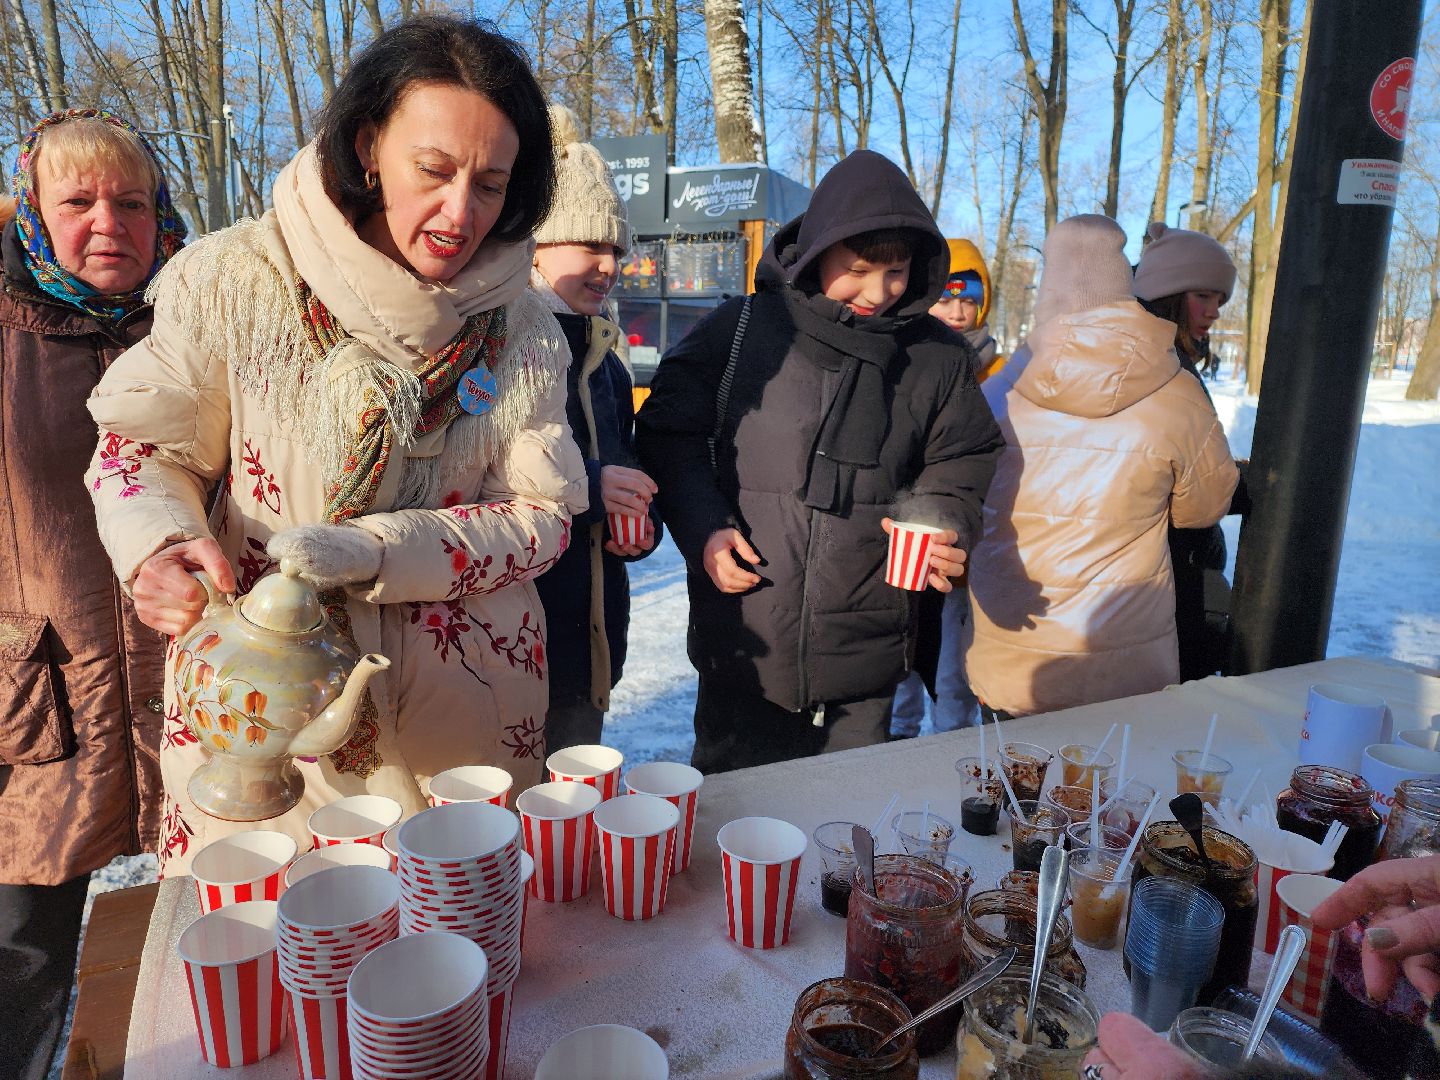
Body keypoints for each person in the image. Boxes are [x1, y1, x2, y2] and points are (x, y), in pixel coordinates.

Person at [83, 16, 586, 877]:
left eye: (492, 184)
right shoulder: (237, 281)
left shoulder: (525, 327)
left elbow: (544, 520)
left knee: (451, 969)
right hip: (264, 715)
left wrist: (379, 549)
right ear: (367, 147)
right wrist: (158, 544)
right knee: (268, 966)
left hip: (462, 724)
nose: (460, 212)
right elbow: (137, 450)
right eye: (433, 171)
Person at [636, 149, 1004, 774]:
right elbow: (669, 434)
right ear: (815, 251)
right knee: (736, 837)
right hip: (745, 646)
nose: (879, 291)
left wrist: (942, 516)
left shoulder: (937, 358)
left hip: (869, 655)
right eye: (857, 268)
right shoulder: (741, 330)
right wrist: (704, 528)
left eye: (896, 270)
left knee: (841, 842)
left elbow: (963, 454)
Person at [0, 109, 184, 1080]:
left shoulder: (197, 326)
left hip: (192, 682)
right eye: (78, 201)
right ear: (33, 212)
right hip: (41, 701)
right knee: (20, 951)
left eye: (132, 202)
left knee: (206, 922)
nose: (108, 221)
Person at [961, 215, 1238, 720]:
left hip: (1012, 652)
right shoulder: (1178, 391)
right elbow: (1204, 508)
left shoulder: (996, 390)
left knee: (1010, 785)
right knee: (1115, 791)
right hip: (1125, 662)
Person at [529, 105, 661, 751]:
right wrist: (586, 490)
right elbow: (474, 476)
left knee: (574, 800)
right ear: (533, 244)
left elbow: (627, 463)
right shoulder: (503, 344)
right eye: (589, 244)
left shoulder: (605, 357)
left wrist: (640, 525)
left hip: (594, 632)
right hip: (517, 637)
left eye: (616, 248)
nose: (608, 264)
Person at [890, 237, 997, 737]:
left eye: (968, 299)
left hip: (969, 550)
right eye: (946, 297)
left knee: (955, 676)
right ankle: (895, 748)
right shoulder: (903, 360)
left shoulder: (1002, 376)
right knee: (901, 665)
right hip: (905, 540)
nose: (956, 310)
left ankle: (954, 764)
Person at [1133, 221, 1249, 682]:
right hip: (1166, 574)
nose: (1215, 311)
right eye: (1204, 296)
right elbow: (1192, 486)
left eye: (1220, 299)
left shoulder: (1164, 359)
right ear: (1169, 296)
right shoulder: (1166, 371)